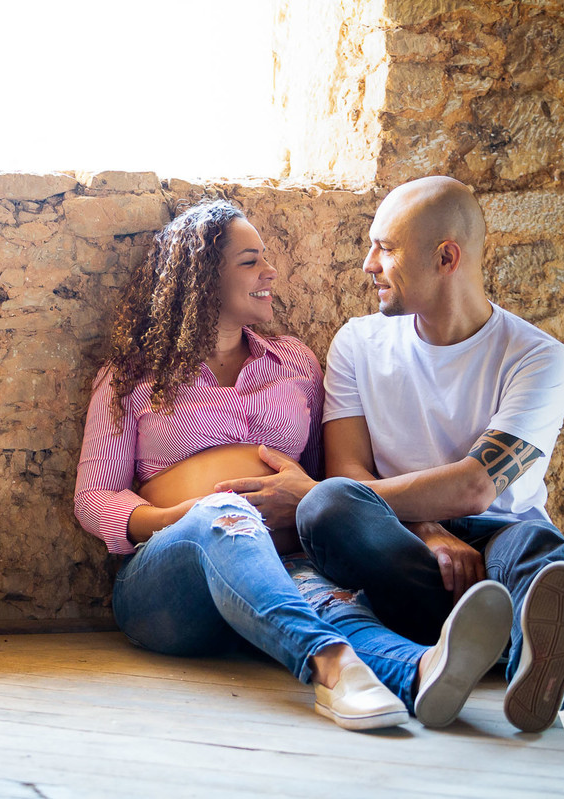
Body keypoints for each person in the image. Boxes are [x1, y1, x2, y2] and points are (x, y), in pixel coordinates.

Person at [74, 198, 513, 731]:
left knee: (333, 602)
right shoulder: (132, 377)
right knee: (223, 516)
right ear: (203, 279)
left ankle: (419, 670)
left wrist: (423, 526)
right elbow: (93, 498)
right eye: (250, 261)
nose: (270, 271)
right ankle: (330, 667)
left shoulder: (296, 363)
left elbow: (324, 481)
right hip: (170, 583)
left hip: (283, 562)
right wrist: (183, 516)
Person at [215, 177, 564, 734]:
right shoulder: (357, 343)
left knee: (537, 550)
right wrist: (425, 528)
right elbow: (347, 471)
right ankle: (490, 634)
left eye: (386, 248)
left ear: (446, 258)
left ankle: (534, 666)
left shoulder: (538, 358)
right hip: (398, 540)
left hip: (502, 531)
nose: (368, 264)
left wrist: (326, 493)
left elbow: (477, 487)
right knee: (327, 507)